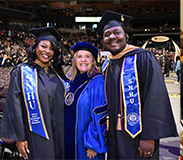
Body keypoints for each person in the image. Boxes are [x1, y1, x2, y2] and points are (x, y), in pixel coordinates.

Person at [97, 11, 177, 159]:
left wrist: (149, 136)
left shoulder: (142, 58)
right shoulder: (107, 65)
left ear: (126, 36)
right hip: (114, 134)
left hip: (138, 135)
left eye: (116, 32)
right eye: (107, 35)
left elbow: (155, 97)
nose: (112, 37)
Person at [0, 27, 67, 159]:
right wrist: (20, 138)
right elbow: (15, 107)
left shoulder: (56, 74)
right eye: (43, 46)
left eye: (52, 48)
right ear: (35, 47)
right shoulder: (22, 72)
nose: (47, 51)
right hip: (35, 134)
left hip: (59, 133)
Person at [64, 42, 108, 159]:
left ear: (93, 61)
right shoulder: (72, 80)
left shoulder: (97, 82)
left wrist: (93, 144)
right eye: (79, 57)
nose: (83, 60)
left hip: (86, 144)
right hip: (70, 138)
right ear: (74, 61)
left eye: (87, 56)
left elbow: (100, 115)